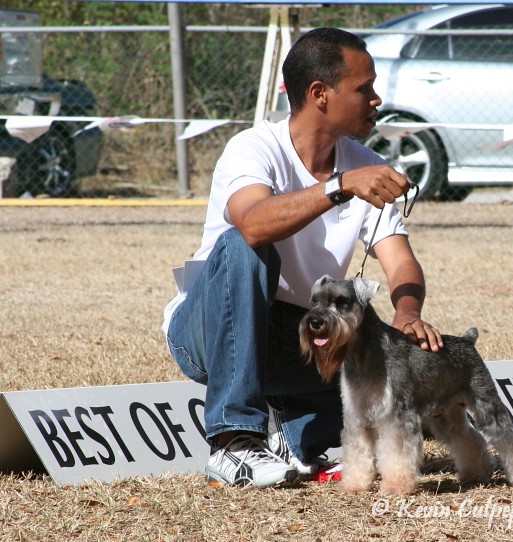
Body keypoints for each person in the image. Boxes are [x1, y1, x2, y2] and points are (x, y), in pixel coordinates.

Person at [162, 27, 444, 488]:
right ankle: (234, 443)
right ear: (320, 94)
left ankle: (296, 439)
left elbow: (400, 262)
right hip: (209, 333)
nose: (376, 99)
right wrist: (339, 187)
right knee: (244, 247)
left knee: (399, 376)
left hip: (302, 337)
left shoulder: (364, 162)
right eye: (363, 88)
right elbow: (251, 224)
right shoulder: (252, 148)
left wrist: (408, 311)